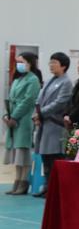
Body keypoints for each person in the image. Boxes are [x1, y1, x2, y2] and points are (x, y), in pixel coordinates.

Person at [32, 52, 73, 197]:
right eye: (50, 62)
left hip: (56, 125)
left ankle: (55, 189)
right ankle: (47, 186)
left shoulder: (66, 82)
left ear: (63, 66)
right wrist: (36, 114)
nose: (51, 65)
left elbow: (60, 102)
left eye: (54, 62)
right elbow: (39, 100)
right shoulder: (50, 80)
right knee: (45, 158)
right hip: (44, 124)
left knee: (55, 157)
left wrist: (41, 113)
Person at [4, 52, 42, 195]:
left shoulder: (33, 80)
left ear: (30, 63)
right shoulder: (17, 79)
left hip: (24, 119)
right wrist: (6, 115)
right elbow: (10, 99)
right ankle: (16, 181)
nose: (19, 64)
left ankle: (24, 182)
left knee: (23, 152)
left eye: (22, 61)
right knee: (16, 152)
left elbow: (28, 100)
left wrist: (14, 116)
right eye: (18, 62)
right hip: (13, 118)